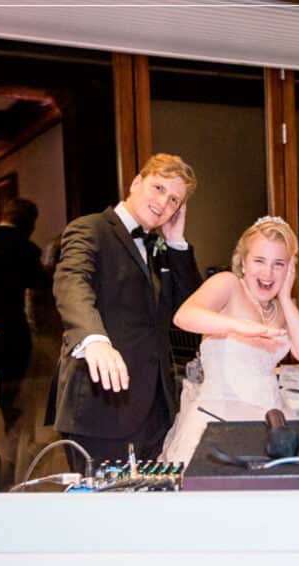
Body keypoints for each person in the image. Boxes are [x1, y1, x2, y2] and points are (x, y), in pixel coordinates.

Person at [46, 153, 201, 469]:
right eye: (158, 188)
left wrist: (176, 241)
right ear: (135, 182)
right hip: (102, 404)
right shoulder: (90, 229)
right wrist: (94, 339)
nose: (163, 203)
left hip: (155, 407)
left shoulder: (160, 246)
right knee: (103, 512)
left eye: (174, 200)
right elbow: (72, 283)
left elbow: (189, 310)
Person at [161, 216, 299, 465]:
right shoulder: (228, 285)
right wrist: (239, 326)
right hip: (219, 419)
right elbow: (184, 316)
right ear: (243, 262)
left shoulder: (280, 310)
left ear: (290, 269)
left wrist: (287, 299)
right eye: (259, 261)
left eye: (279, 264)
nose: (268, 273)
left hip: (272, 420)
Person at [0, 197, 51, 487]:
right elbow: (40, 285)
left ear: (3, 214)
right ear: (30, 224)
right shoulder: (26, 249)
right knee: (12, 399)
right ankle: (10, 453)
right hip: (12, 332)